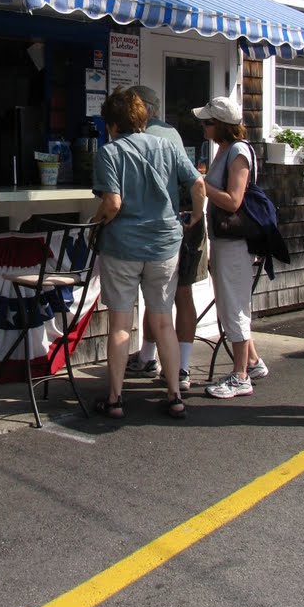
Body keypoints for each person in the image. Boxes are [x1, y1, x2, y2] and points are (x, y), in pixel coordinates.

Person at [91, 88, 205, 420]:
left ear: (112, 124)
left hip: (123, 246)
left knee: (120, 324)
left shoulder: (109, 152)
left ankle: (114, 399)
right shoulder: (168, 146)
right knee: (163, 322)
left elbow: (112, 204)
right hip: (163, 246)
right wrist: (195, 217)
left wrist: (94, 224)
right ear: (143, 118)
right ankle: (174, 397)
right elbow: (197, 184)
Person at [124, 85, 207, 392]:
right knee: (165, 296)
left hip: (171, 223)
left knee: (170, 295)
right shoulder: (171, 132)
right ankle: (161, 361)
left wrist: (193, 216)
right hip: (182, 220)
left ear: (142, 108)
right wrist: (198, 215)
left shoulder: (143, 138)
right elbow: (193, 181)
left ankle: (172, 366)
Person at [192, 95, 268, 400]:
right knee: (227, 303)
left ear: (222, 125)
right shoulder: (224, 149)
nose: (203, 126)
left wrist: (201, 183)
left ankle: (240, 376)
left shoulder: (237, 151)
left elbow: (234, 200)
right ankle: (252, 361)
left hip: (236, 241)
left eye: (208, 122)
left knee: (234, 306)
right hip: (223, 240)